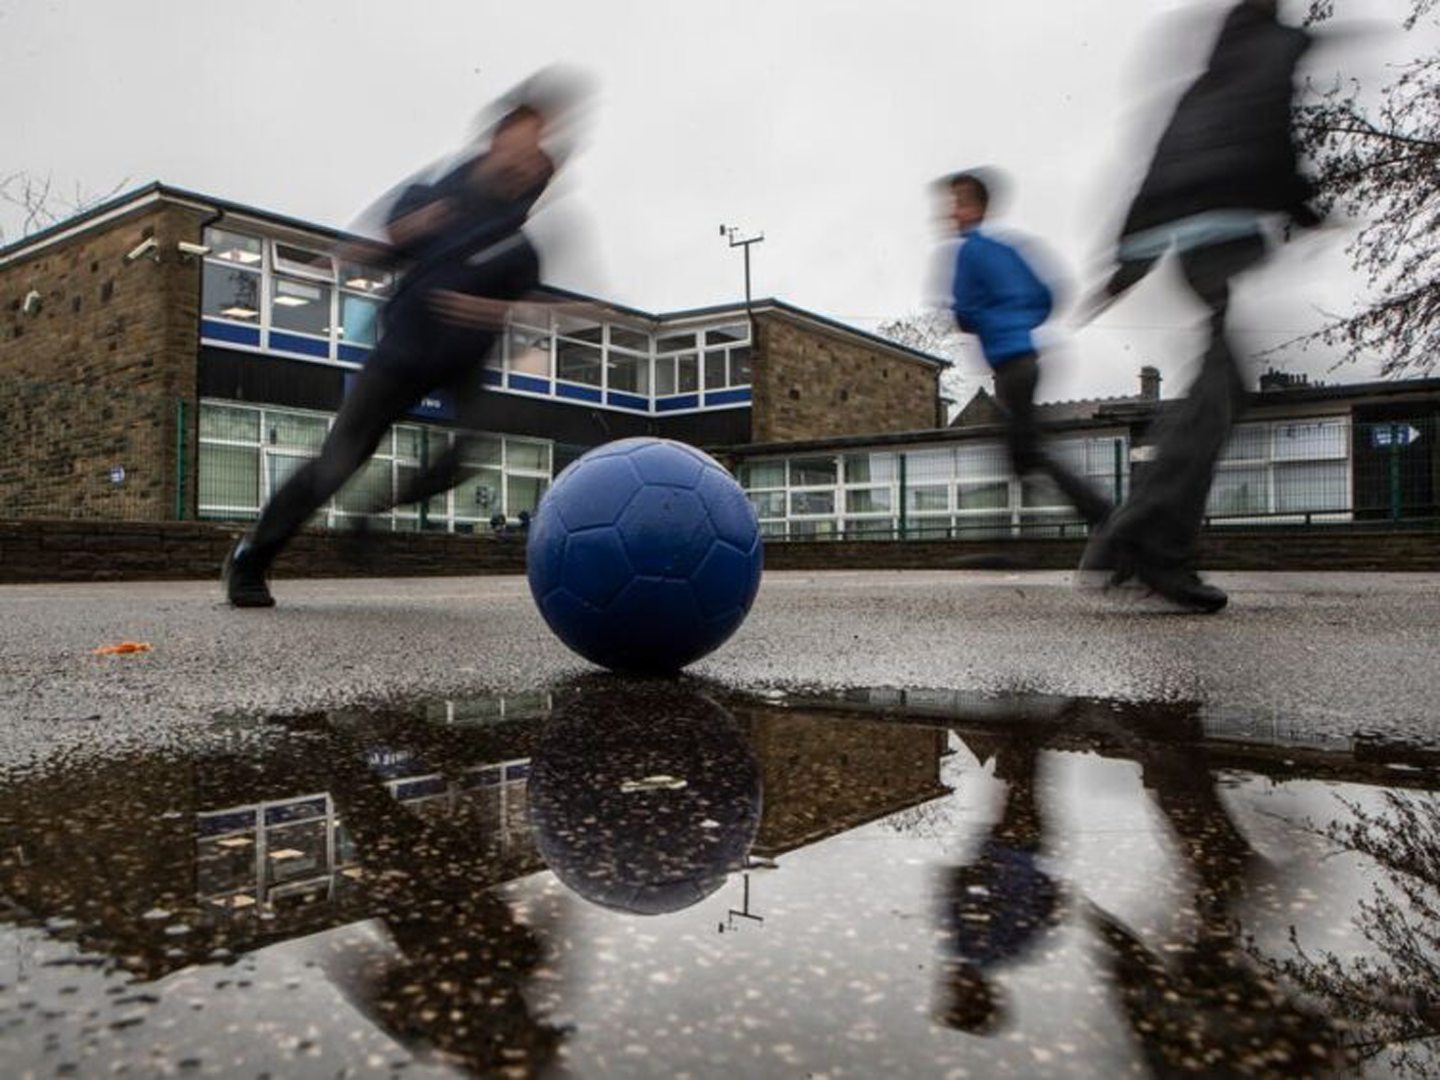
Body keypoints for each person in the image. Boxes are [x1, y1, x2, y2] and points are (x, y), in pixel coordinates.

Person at [224, 69, 594, 607]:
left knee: (471, 448)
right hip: (403, 351)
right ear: (498, 140)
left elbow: (534, 306)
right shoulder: (437, 192)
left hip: (463, 361)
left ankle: (370, 512)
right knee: (338, 460)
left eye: (538, 157)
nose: (528, 162)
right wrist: (344, 256)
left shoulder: (519, 246)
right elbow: (385, 239)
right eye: (522, 145)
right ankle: (251, 558)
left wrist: (490, 308)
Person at [1078, 0, 1323, 613]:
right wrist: (1303, 205)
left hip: (1181, 242)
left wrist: (1123, 266)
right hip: (1223, 232)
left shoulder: (1202, 84)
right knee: (1221, 382)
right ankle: (1146, 536)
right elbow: (1272, 134)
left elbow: (1155, 170)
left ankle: (1139, 532)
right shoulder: (1274, 50)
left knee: (1220, 383)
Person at [943, 171, 1113, 533]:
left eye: (956, 204)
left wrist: (989, 323)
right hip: (1027, 362)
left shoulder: (970, 251)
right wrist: (1018, 321)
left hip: (1010, 367)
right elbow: (1048, 296)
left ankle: (1105, 517)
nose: (950, 213)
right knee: (1019, 452)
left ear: (976, 207)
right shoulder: (1008, 251)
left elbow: (963, 314)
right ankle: (1015, 542)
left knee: (1028, 452)